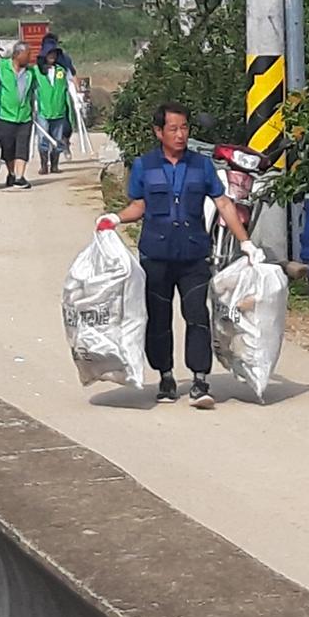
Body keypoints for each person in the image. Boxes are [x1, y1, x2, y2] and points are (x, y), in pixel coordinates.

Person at [96, 102, 262, 409]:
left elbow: (224, 204)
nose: (180, 134)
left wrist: (246, 243)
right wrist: (116, 219)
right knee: (158, 319)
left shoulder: (202, 166)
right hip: (156, 255)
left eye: (184, 127)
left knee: (197, 315)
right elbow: (139, 205)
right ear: (158, 132)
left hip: (193, 254)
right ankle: (166, 377)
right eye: (173, 128)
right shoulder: (145, 165)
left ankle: (200, 380)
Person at [0, 41, 37, 189]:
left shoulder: (31, 73)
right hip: (5, 116)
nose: (30, 58)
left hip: (25, 116)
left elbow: (33, 94)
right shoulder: (2, 68)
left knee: (22, 147)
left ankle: (20, 177)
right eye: (27, 55)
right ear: (18, 55)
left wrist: (35, 110)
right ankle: (11, 173)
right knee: (8, 148)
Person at [38, 33, 77, 156]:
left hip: (60, 101)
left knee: (62, 128)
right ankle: (44, 163)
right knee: (44, 135)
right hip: (43, 107)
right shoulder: (37, 68)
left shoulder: (64, 61)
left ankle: (59, 153)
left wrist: (77, 95)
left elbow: (71, 76)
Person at [35, 43, 70, 175]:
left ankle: (54, 165)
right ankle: (44, 165)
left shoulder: (61, 70)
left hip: (59, 110)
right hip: (43, 111)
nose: (52, 56)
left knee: (58, 139)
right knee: (43, 138)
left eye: (54, 54)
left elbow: (69, 86)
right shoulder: (36, 71)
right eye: (50, 53)